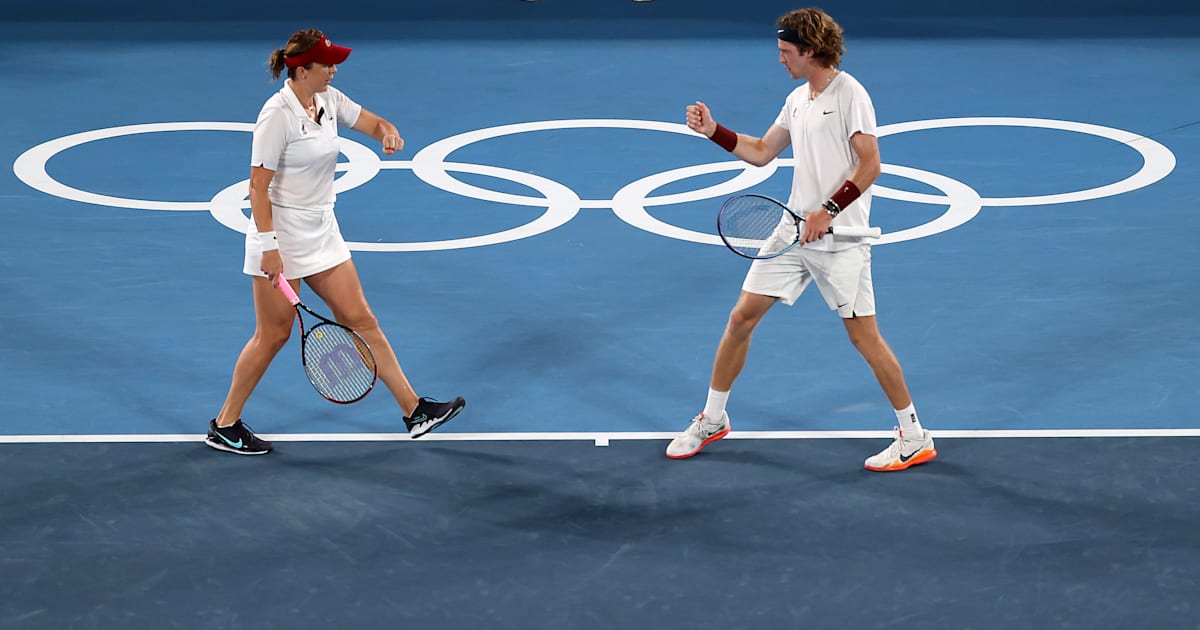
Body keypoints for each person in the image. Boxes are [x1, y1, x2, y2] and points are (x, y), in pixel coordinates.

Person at [666, 8, 936, 471]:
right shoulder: (798, 100)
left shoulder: (850, 94)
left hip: (841, 238)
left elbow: (870, 164)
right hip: (794, 231)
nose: (780, 60)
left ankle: (914, 436)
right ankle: (713, 418)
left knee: (864, 338)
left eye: (786, 52)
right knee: (741, 317)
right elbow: (762, 152)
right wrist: (714, 131)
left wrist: (828, 211)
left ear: (811, 51)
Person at [207, 28, 465, 455]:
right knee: (273, 336)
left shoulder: (328, 98)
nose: (334, 68)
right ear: (301, 69)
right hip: (280, 235)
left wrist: (386, 133)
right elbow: (257, 186)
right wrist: (269, 245)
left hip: (322, 229)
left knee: (361, 319)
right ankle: (224, 424)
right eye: (326, 63)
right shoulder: (277, 115)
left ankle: (414, 410)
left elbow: (374, 122)